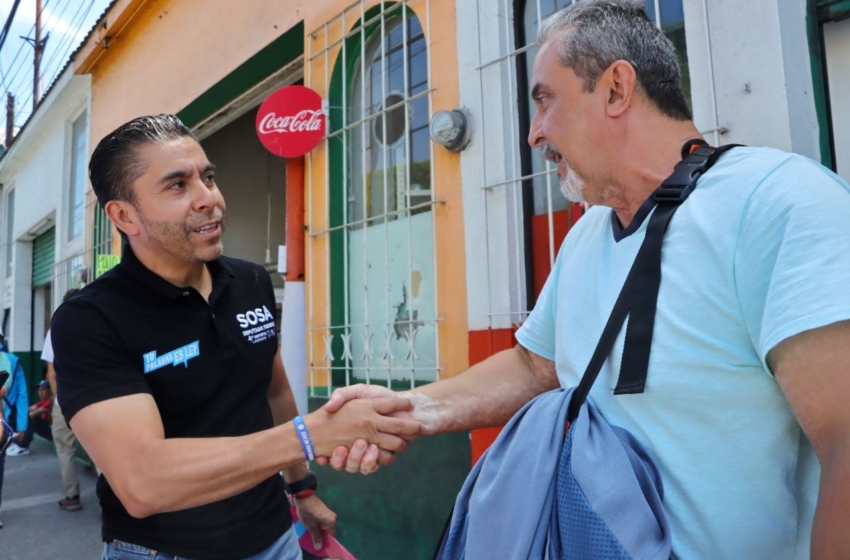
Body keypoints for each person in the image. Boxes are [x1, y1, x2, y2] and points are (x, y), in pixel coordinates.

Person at [321, 1, 850, 558]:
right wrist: (412, 410)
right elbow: (537, 363)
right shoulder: (587, 233)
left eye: (545, 100)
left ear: (617, 89)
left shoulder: (777, 202)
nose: (533, 133)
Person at [51, 114, 421, 560]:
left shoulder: (249, 281)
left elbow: (275, 390)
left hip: (274, 537)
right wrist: (311, 435)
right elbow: (142, 483)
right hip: (164, 551)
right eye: (177, 185)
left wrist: (302, 490)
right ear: (124, 215)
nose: (209, 198)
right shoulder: (90, 319)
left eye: (208, 177)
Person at [42, 289, 87, 512]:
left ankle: (72, 496)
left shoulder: (55, 330)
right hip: (95, 400)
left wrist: (59, 397)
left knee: (65, 448)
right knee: (102, 451)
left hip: (65, 401)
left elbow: (52, 372)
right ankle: (112, 502)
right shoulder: (98, 326)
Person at [1, 329, 29, 456]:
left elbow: (21, 394)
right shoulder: (12, 361)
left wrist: (22, 423)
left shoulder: (12, 362)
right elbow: (21, 394)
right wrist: (21, 424)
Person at [9, 379, 53, 454]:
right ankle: (17, 442)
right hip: (46, 430)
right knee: (22, 416)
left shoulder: (50, 401)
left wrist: (21, 417)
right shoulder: (43, 401)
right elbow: (29, 409)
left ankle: (23, 446)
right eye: (39, 390)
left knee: (33, 418)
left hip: (52, 432)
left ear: (50, 391)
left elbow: (33, 414)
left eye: (43, 390)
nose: (40, 392)